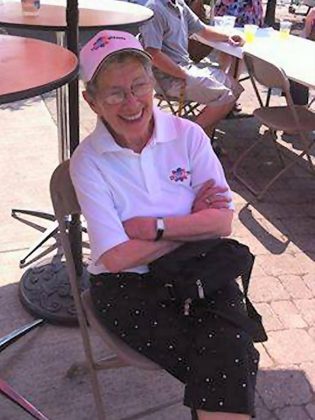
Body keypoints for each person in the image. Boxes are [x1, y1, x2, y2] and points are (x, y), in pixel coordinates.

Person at [71, 29, 261, 420]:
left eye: (139, 85)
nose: (131, 102)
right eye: (114, 92)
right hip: (127, 285)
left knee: (227, 350)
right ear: (91, 101)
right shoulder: (88, 161)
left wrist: (153, 228)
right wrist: (191, 223)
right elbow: (119, 258)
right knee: (231, 356)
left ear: (153, 82)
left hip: (200, 266)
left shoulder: (188, 136)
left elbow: (222, 222)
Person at [139, 0, 245, 135]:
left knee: (235, 88)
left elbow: (203, 30)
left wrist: (228, 38)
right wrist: (182, 74)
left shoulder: (179, 4)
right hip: (169, 79)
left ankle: (203, 143)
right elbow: (153, 54)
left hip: (186, 69)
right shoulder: (155, 8)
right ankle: (187, 141)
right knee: (226, 96)